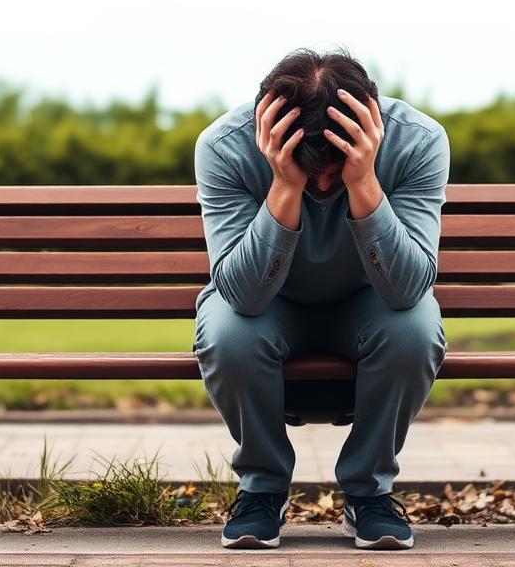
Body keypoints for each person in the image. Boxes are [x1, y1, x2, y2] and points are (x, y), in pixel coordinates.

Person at [192, 47, 450, 550]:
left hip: (370, 303)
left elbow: (406, 290)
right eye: (315, 176)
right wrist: (285, 184)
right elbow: (242, 296)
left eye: (333, 173)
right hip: (268, 306)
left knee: (416, 328)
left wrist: (364, 180)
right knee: (228, 332)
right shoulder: (223, 147)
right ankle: (261, 488)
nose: (324, 187)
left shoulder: (419, 142)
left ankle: (368, 493)